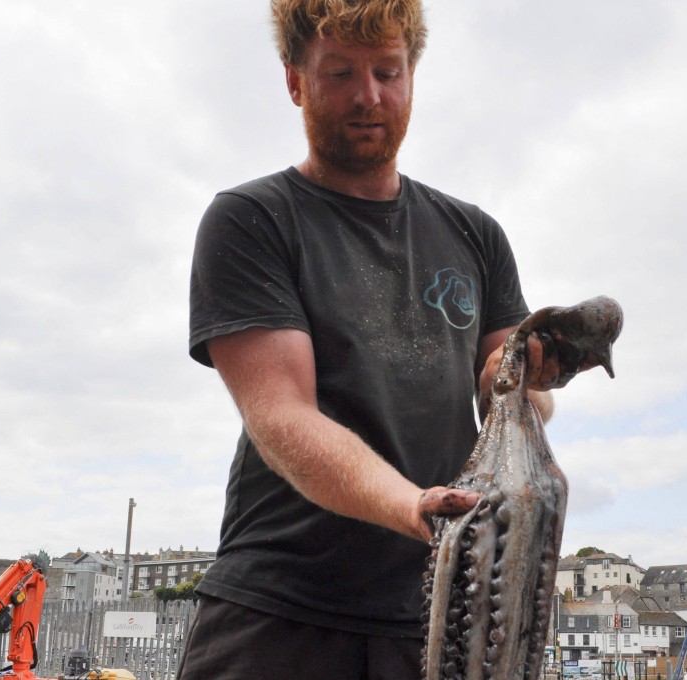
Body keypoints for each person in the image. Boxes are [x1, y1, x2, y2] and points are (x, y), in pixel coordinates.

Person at [178, 1, 598, 678]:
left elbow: (514, 400)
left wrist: (522, 371)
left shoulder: (475, 235)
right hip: (278, 613)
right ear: (295, 81)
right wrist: (413, 507)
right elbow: (281, 414)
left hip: (434, 614)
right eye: (341, 72)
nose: (369, 95)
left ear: (411, 77)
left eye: (388, 71)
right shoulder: (253, 220)